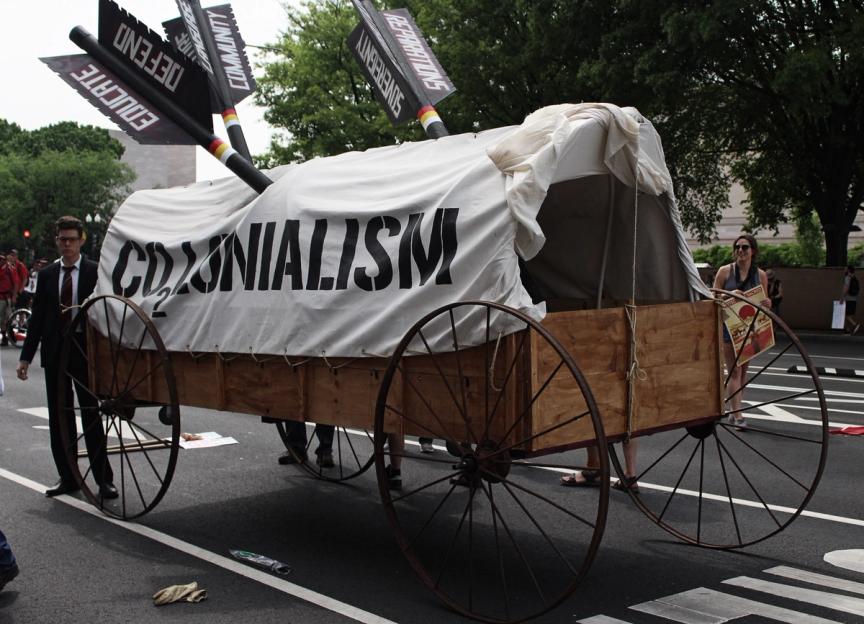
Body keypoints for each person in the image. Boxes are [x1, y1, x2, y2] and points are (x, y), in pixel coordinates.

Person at [16, 216, 117, 499]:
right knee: (60, 418)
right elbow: (37, 320)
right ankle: (68, 477)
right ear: (57, 241)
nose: (67, 244)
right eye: (62, 239)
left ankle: (103, 480)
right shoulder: (48, 275)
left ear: (82, 240)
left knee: (91, 415)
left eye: (72, 239)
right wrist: (25, 358)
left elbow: (107, 311)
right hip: (55, 354)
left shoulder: (94, 272)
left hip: (85, 353)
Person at [712, 234, 771, 429]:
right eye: (737, 247)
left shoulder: (760, 275)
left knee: (744, 371)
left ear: (752, 251)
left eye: (745, 247)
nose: (740, 251)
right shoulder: (725, 271)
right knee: (735, 370)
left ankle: (734, 409)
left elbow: (765, 301)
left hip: (751, 327)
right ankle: (738, 415)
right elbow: (713, 295)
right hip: (730, 326)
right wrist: (730, 295)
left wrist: (767, 303)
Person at [0, 253, 20, 346]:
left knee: (8, 318)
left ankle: (10, 335)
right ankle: (4, 337)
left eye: (1, 259)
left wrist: (14, 297)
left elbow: (16, 283)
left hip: (7, 297)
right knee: (1, 319)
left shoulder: (10, 269)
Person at [843, 265, 860, 335]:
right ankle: (847, 330)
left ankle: (855, 324)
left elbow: (846, 288)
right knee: (849, 315)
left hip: (848, 298)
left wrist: (842, 297)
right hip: (854, 299)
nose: (844, 270)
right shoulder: (855, 278)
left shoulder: (847, 277)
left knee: (846, 315)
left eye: (845, 269)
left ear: (848, 270)